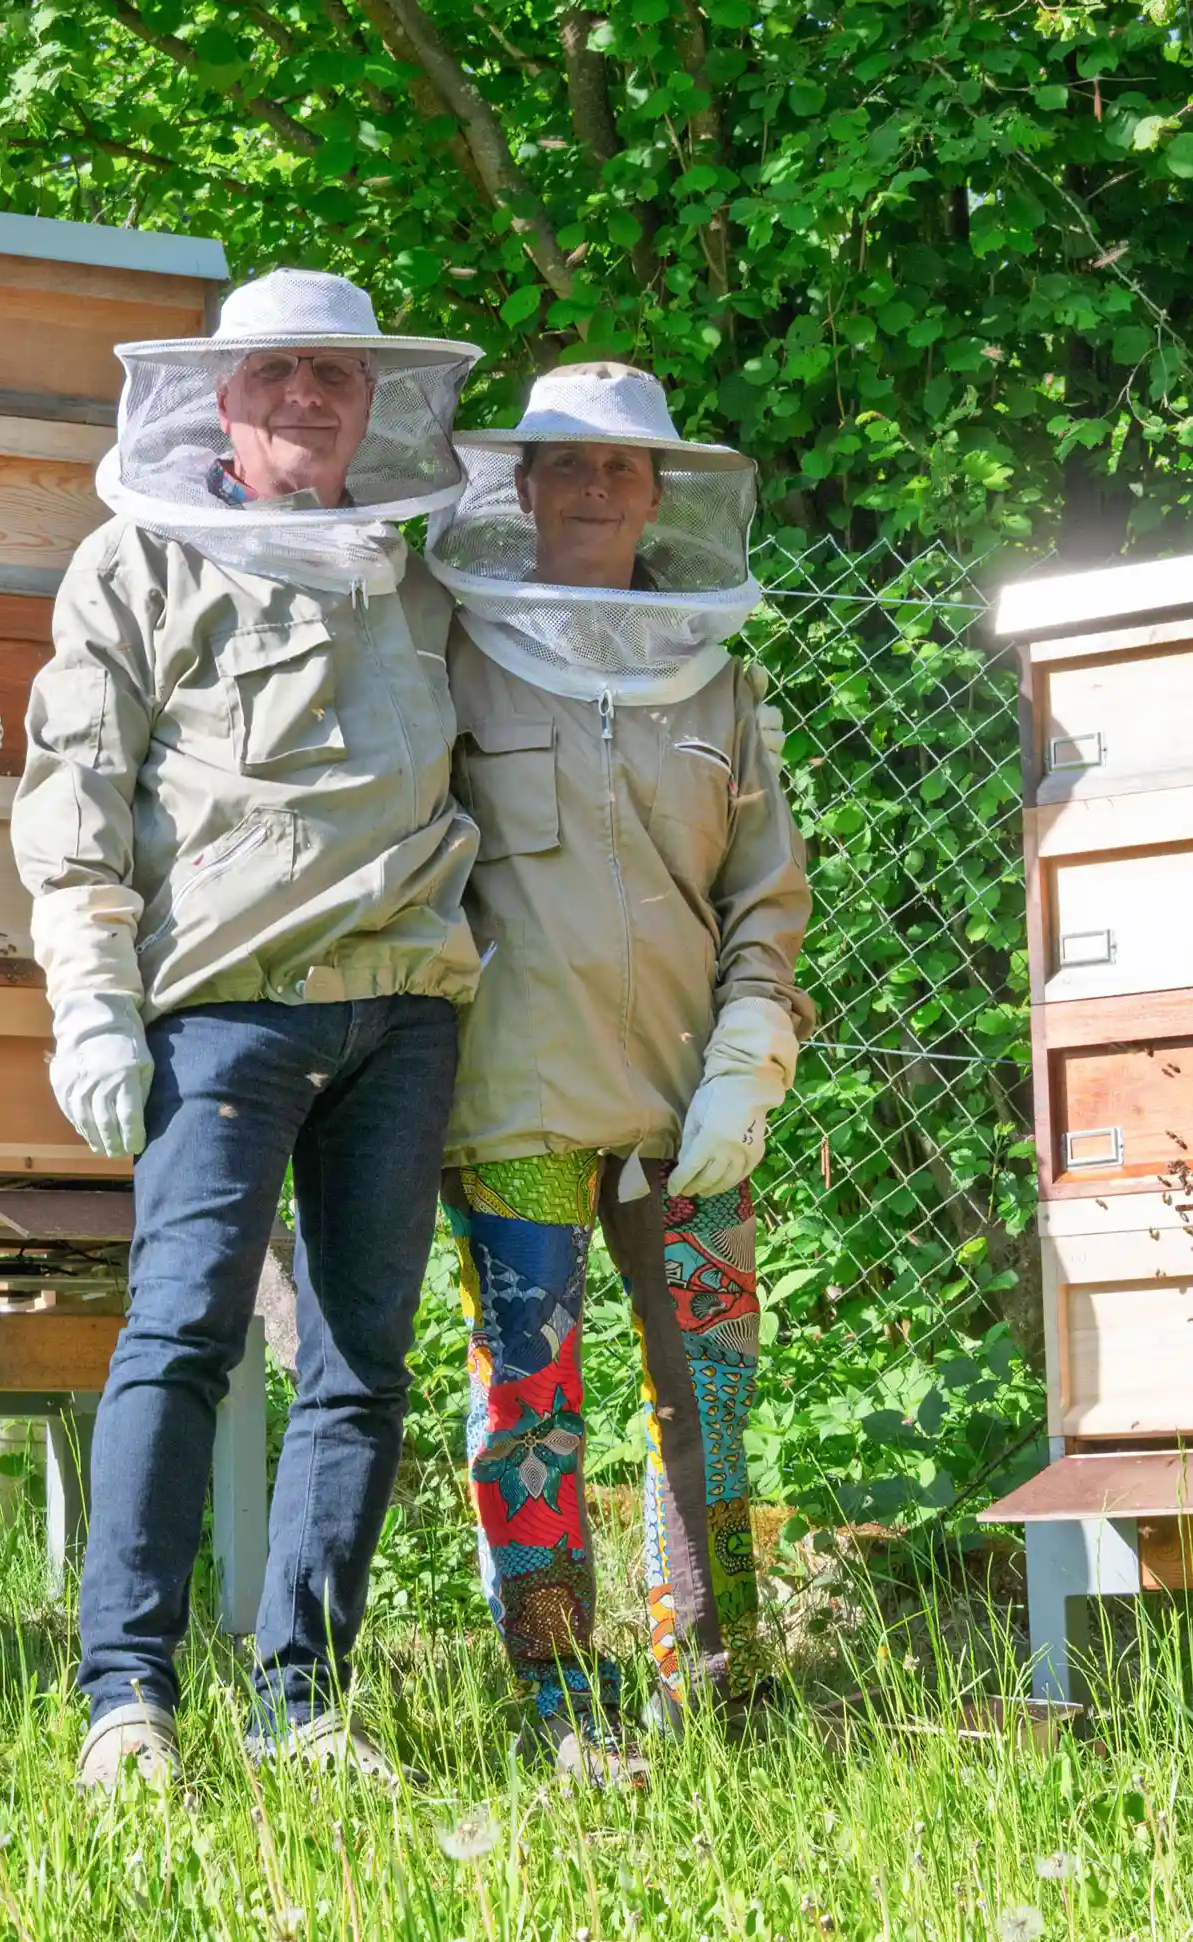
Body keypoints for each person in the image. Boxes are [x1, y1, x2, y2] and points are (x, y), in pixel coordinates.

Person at [11, 269, 482, 1791]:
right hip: (223, 1012)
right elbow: (73, 802)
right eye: (277, 375)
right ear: (218, 399)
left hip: (402, 1010)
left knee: (362, 1362)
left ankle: (305, 1702)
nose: (306, 399)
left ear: (371, 403)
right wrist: (89, 1001)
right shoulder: (135, 564)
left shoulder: (411, 575)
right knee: (182, 1333)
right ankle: (124, 1701)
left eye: (335, 377)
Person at [425, 362, 813, 1781]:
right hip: (512, 1089)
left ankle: (716, 1687)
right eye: (567, 465)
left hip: (686, 1110)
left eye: (622, 468)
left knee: (705, 1393)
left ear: (661, 490)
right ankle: (559, 1698)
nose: (596, 489)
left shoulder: (720, 667)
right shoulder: (454, 647)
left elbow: (765, 890)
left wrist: (751, 1050)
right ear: (516, 485)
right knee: (528, 1397)